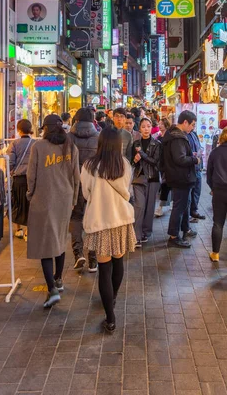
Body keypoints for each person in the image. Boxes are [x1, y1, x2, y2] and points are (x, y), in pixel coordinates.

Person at [81, 128, 136, 333]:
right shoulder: (124, 164)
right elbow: (127, 191)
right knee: (118, 260)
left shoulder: (89, 165)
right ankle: (112, 297)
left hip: (100, 220)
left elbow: (86, 193)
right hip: (120, 220)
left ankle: (110, 318)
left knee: (104, 269)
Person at [26, 114, 80, 308]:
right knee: (59, 239)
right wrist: (73, 200)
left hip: (44, 200)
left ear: (46, 129)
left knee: (44, 243)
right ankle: (58, 279)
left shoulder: (39, 147)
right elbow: (76, 177)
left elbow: (31, 176)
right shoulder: (70, 146)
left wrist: (30, 195)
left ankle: (52, 289)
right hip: (65, 200)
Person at [163, 111, 199, 248]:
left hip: (180, 177)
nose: (193, 128)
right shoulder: (177, 138)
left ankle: (185, 228)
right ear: (185, 122)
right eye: (192, 125)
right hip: (181, 177)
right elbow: (180, 159)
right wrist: (195, 159)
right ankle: (173, 236)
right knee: (179, 207)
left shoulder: (173, 134)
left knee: (185, 204)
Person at [70, 107, 100, 271]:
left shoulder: (69, 138)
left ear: (76, 120)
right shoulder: (98, 137)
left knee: (75, 218)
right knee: (92, 219)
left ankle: (78, 254)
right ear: (92, 121)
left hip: (74, 183)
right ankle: (93, 260)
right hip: (93, 183)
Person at [132, 118, 161, 246]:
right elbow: (132, 162)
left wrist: (142, 155)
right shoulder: (136, 144)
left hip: (152, 178)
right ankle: (136, 236)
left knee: (149, 208)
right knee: (139, 207)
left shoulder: (157, 144)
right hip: (138, 178)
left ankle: (145, 233)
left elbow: (155, 162)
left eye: (148, 126)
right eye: (143, 126)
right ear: (139, 129)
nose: (146, 129)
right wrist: (135, 160)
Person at [206, 125, 227, 262]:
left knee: (218, 223)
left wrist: (213, 187)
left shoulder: (215, 152)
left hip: (218, 191)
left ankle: (215, 253)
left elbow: (209, 174)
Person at [7, 119, 34, 241]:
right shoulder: (35, 143)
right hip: (32, 179)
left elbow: (10, 161)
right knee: (30, 204)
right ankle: (28, 231)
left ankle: (18, 229)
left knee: (16, 202)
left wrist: (12, 171)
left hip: (18, 178)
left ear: (19, 130)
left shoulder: (14, 144)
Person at [187, 127, 206, 221]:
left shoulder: (194, 134)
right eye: (192, 124)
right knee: (190, 192)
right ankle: (189, 214)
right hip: (190, 167)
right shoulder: (184, 136)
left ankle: (194, 211)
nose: (193, 126)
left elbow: (198, 148)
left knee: (197, 190)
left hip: (197, 167)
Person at [154, 118, 172, 217]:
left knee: (165, 185)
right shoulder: (159, 137)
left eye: (161, 124)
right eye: (159, 124)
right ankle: (165, 205)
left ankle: (161, 207)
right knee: (165, 185)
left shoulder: (169, 137)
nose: (159, 125)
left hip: (168, 165)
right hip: (161, 164)